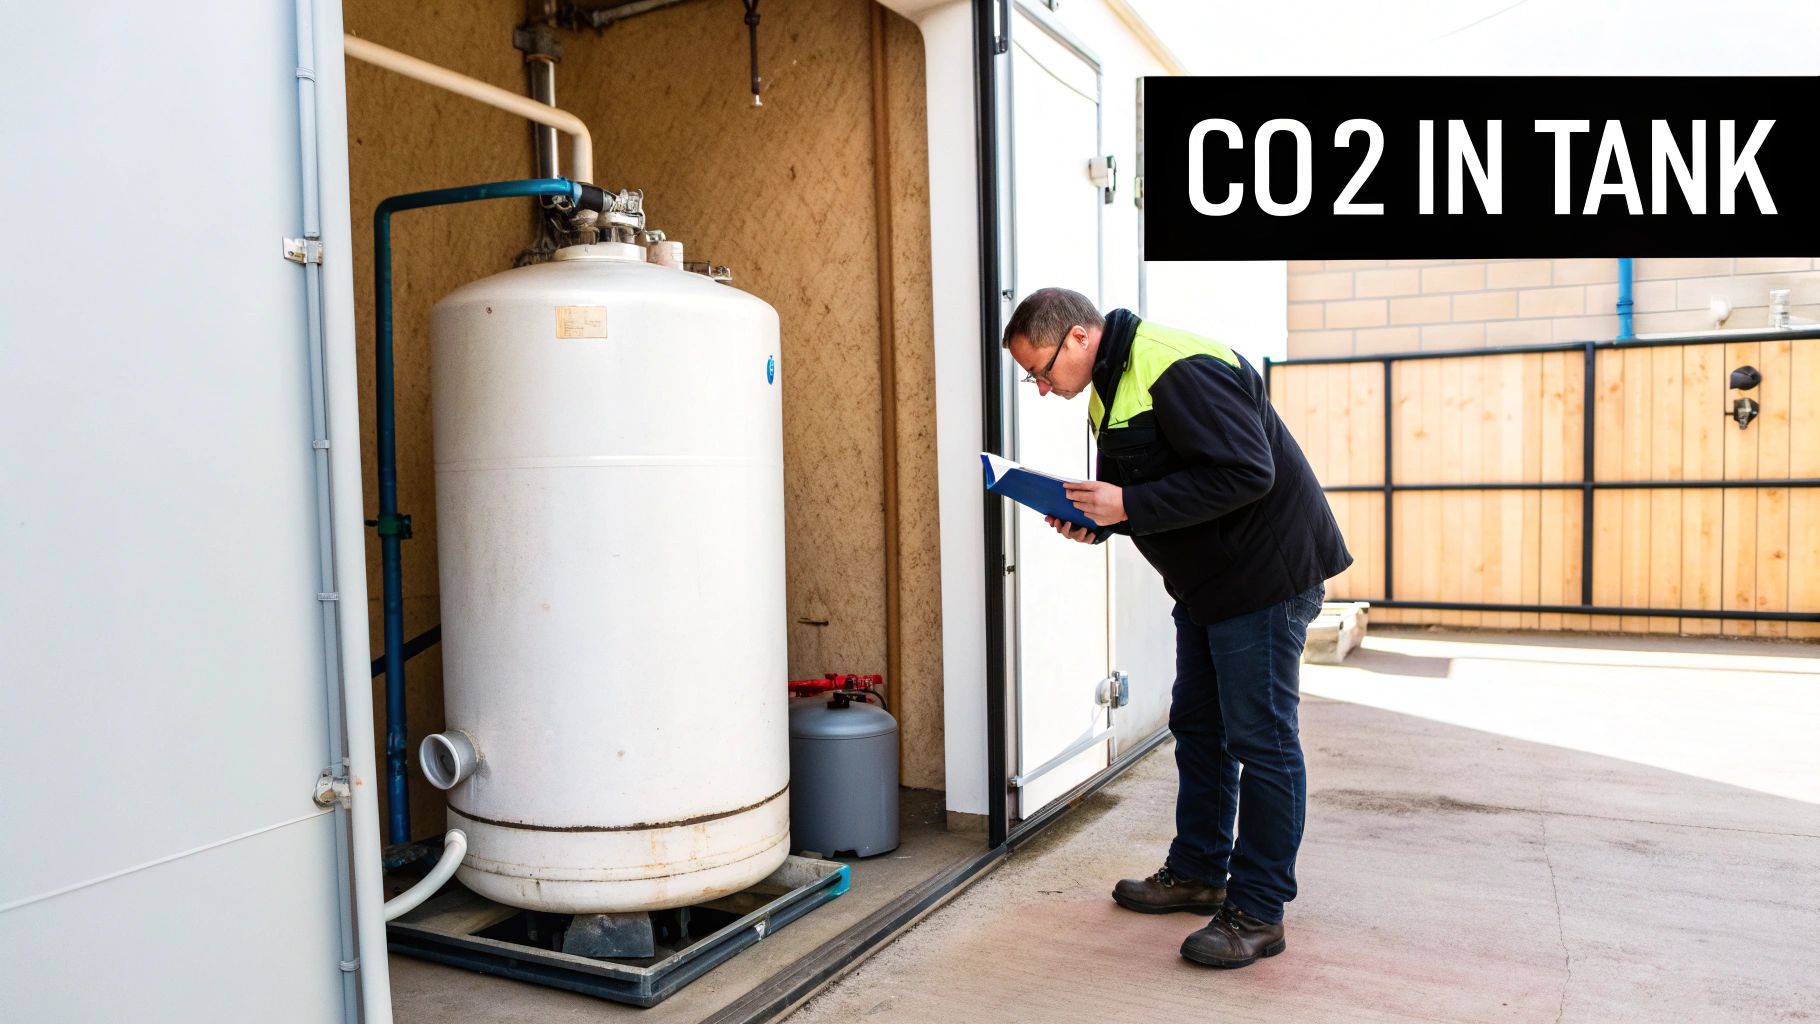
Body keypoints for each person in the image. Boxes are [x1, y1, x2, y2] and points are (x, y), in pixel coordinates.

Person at [1002, 286, 1351, 968]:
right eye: (1031, 378)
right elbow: (1145, 493)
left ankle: (1259, 911)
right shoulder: (1106, 388)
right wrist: (1098, 519)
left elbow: (1247, 471)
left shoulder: (1174, 366)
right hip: (1207, 585)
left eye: (1041, 370)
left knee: (1262, 740)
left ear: (1078, 336)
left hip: (1263, 577)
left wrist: (1127, 503)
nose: (1041, 388)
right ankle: (1199, 871)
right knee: (1198, 726)